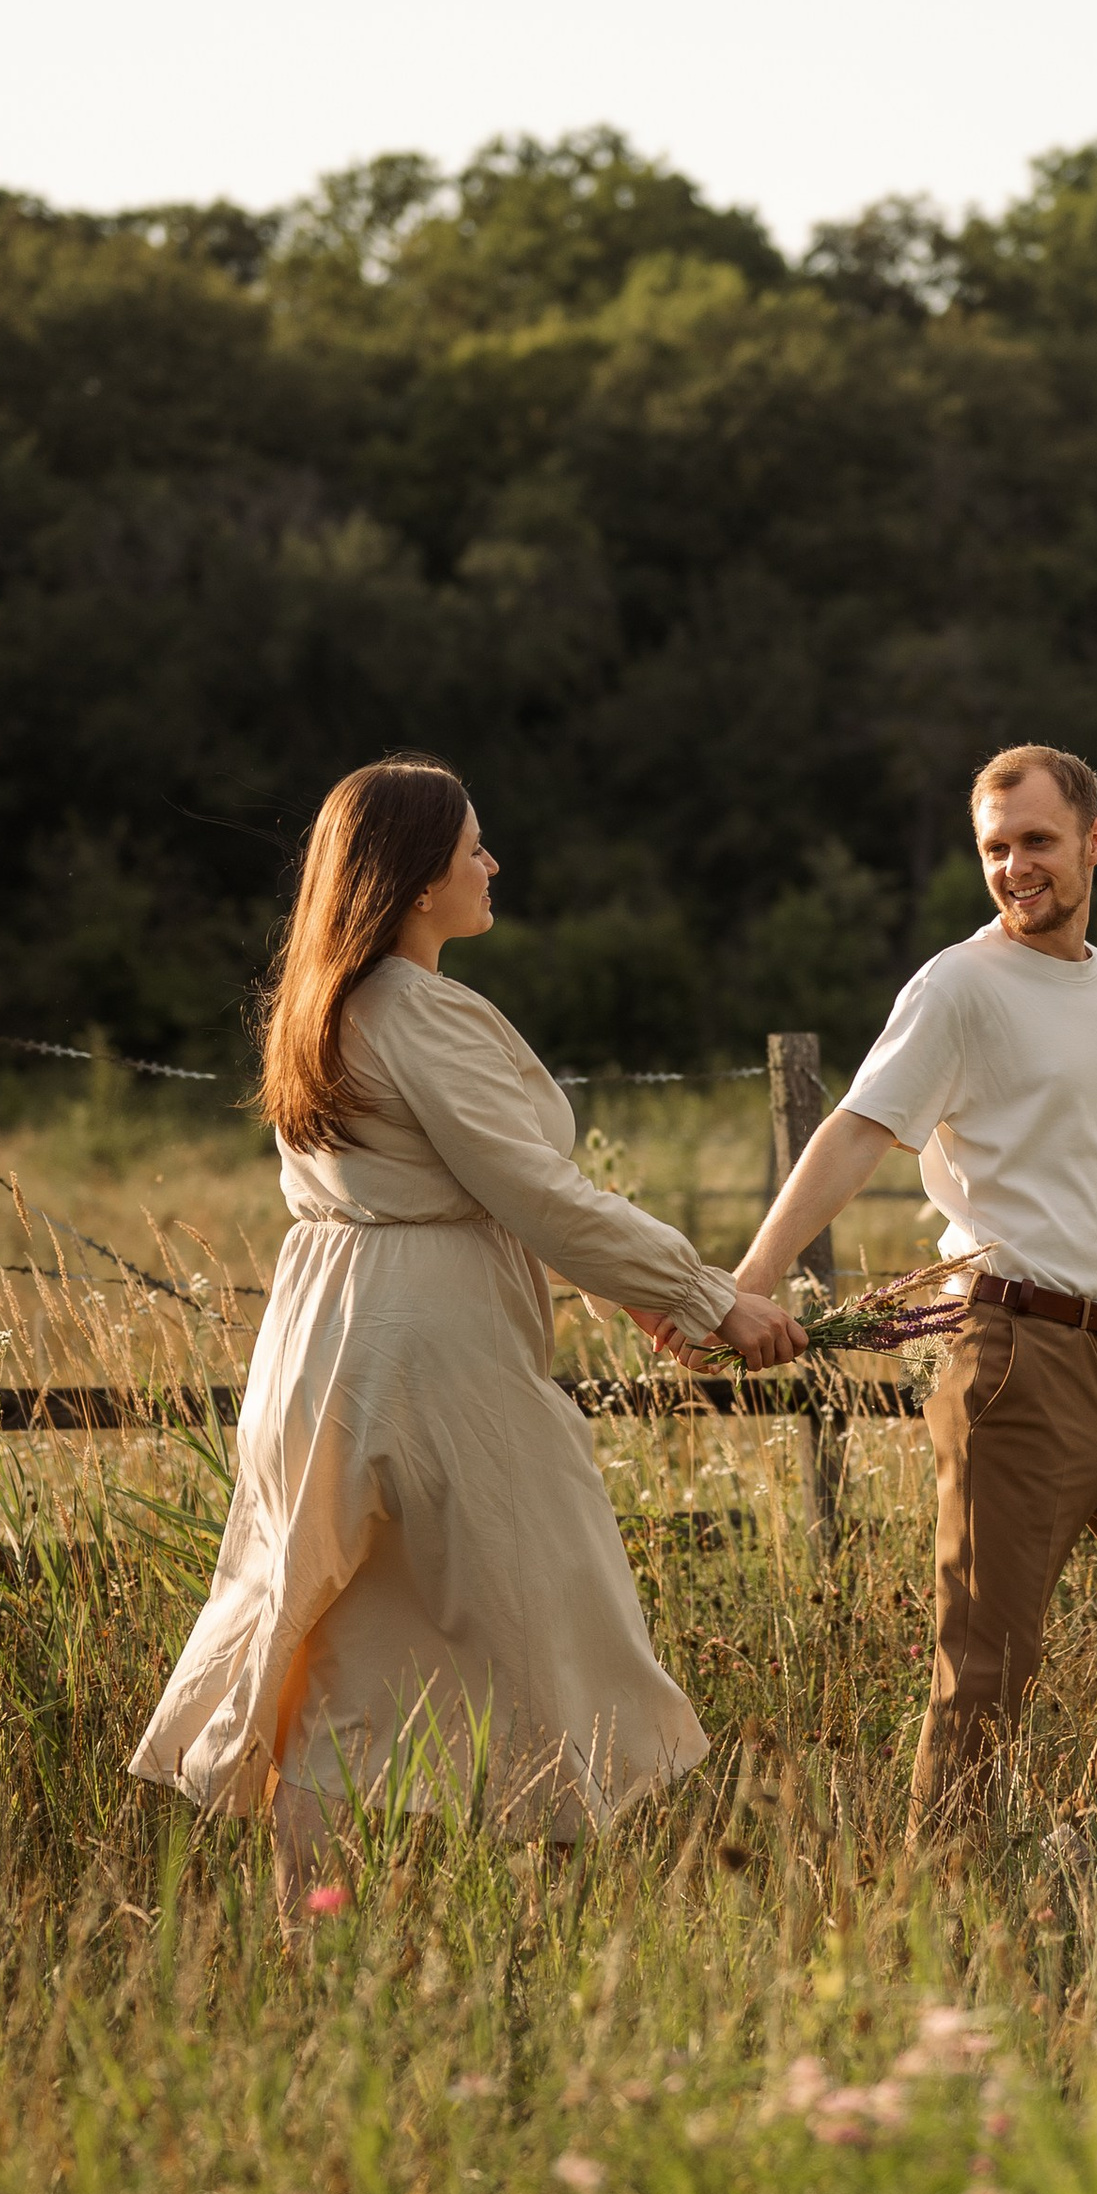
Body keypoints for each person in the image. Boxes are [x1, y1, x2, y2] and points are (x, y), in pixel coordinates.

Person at [131, 758, 806, 1867]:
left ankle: (320, 1931)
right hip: (424, 1349)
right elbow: (534, 1189)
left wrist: (631, 1294)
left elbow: (486, 1189)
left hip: (323, 1335)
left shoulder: (327, 1002)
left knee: (345, 1637)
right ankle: (538, 1881)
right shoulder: (418, 1011)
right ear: (409, 880)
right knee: (536, 1605)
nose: (492, 864)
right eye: (471, 848)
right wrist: (706, 1296)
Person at [731, 743, 1097, 1834]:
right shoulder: (960, 985)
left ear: (1094, 840)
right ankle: (946, 1910)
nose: (1015, 866)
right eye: (994, 847)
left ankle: (1092, 1832)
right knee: (987, 1665)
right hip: (1011, 1352)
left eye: (1037, 841)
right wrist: (751, 1278)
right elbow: (856, 1128)